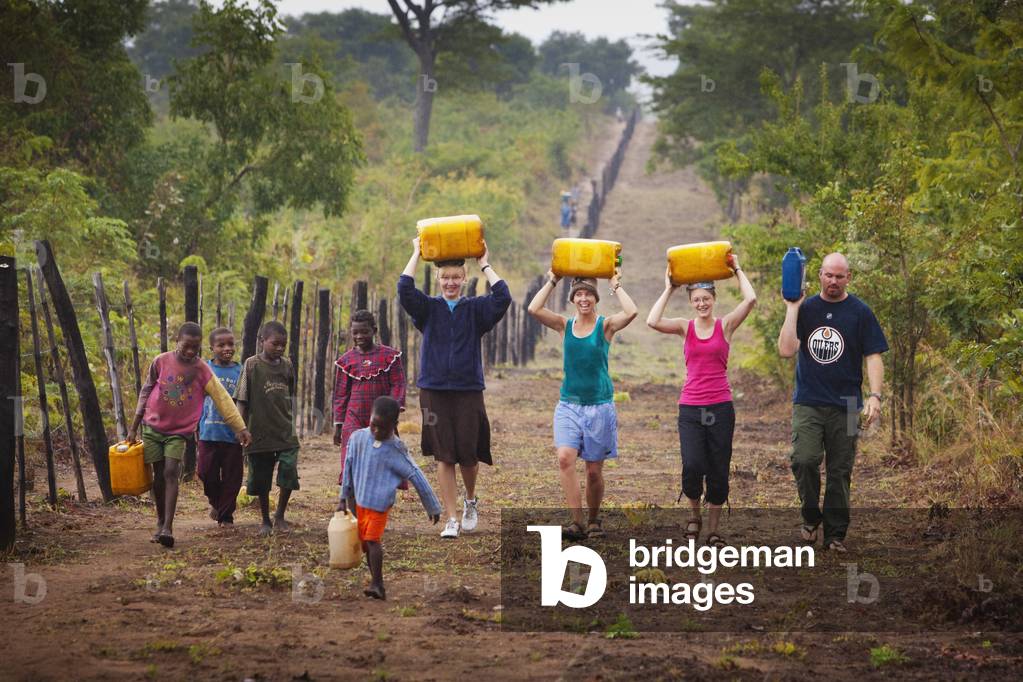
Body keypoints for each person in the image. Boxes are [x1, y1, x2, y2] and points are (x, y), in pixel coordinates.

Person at [398, 237, 511, 539]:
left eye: (455, 277)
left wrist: (484, 263)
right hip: (433, 390)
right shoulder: (428, 309)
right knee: (443, 454)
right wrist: (416, 254)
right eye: (445, 277)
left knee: (468, 453)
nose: (450, 282)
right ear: (437, 278)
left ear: (464, 279)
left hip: (467, 388)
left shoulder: (475, 310)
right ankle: (451, 517)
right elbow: (404, 290)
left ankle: (470, 500)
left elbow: (502, 297)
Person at [777, 252, 888, 552]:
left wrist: (875, 396)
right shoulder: (807, 308)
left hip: (849, 405)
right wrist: (792, 308)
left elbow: (873, 356)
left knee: (841, 470)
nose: (833, 281)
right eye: (828, 275)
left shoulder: (860, 312)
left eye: (839, 276)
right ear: (820, 275)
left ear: (848, 277)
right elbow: (786, 350)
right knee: (804, 459)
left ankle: (836, 535)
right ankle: (810, 516)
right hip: (809, 400)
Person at [647, 255, 757, 547]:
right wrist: (669, 288)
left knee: (719, 469)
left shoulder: (726, 326)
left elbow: (750, 299)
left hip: (720, 407)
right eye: (696, 299)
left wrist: (736, 268)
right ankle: (694, 515)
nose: (701, 304)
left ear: (713, 298)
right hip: (691, 407)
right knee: (693, 465)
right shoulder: (686, 327)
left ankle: (713, 530)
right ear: (691, 302)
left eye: (706, 298)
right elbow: (652, 320)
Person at [527, 271, 637, 539]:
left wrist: (615, 284)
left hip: (599, 406)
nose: (584, 298)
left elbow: (632, 312)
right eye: (579, 294)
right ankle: (577, 523)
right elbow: (534, 308)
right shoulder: (564, 326)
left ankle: (594, 519)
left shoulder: (605, 326)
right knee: (565, 458)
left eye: (588, 293)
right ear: (573, 298)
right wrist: (553, 279)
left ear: (595, 298)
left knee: (593, 472)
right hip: (569, 405)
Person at [127, 322, 252, 547]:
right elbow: (146, 390)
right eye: (186, 346)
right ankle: (160, 521)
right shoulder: (160, 361)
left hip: (178, 431)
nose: (191, 352)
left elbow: (223, 399)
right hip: (152, 428)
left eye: (196, 347)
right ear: (177, 341)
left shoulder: (202, 369)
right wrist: (134, 426)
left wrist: (240, 427)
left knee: (170, 471)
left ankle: (168, 527)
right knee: (158, 476)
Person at [339, 396, 442, 600]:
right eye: (373, 425)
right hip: (357, 502)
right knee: (365, 544)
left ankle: (377, 583)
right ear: (369, 418)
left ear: (394, 426)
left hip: (379, 505)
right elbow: (347, 468)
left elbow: (415, 474)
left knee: (372, 540)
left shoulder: (396, 449)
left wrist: (432, 506)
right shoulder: (357, 438)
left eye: (383, 428)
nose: (377, 431)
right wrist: (342, 498)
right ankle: (376, 581)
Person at [236, 321, 300, 537]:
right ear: (262, 341)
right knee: (261, 476)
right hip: (259, 431)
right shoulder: (252, 365)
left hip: (284, 429)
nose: (280, 348)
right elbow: (242, 399)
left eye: (283, 344)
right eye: (275, 344)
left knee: (289, 470)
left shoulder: (287, 365)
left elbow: (290, 394)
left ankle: (280, 514)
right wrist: (241, 427)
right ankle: (265, 519)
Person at [332, 309, 406, 485]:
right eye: (355, 332)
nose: (359, 336)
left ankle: (377, 497)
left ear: (374, 330)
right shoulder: (346, 360)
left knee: (382, 454)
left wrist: (392, 412)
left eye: (364, 331)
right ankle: (353, 497)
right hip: (354, 415)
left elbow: (398, 384)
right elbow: (341, 394)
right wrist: (338, 425)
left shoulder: (390, 356)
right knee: (352, 451)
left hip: (382, 416)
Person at [197, 327, 245, 527]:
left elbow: (245, 401)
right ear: (211, 348)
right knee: (205, 472)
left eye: (231, 344)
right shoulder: (204, 370)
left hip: (232, 435)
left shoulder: (240, 371)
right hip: (208, 432)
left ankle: (226, 516)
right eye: (221, 345)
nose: (227, 348)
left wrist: (243, 428)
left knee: (232, 477)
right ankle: (216, 502)